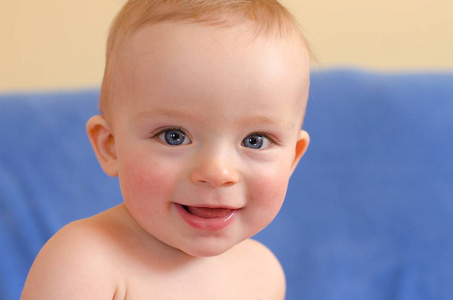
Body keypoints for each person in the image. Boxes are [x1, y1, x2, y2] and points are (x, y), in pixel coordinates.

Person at [21, 0, 311, 298]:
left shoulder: (262, 273)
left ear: (293, 157)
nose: (217, 172)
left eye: (255, 140)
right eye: (174, 136)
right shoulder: (85, 261)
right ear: (111, 147)